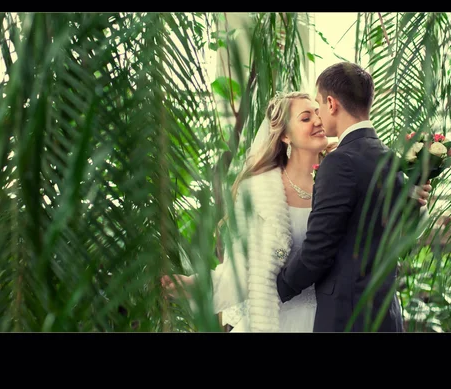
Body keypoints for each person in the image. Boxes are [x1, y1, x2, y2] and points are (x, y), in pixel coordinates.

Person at [162, 89, 430, 332]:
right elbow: (241, 270)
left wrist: (412, 203)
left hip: (334, 319)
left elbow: (387, 238)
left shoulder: (348, 177)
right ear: (285, 135)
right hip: (276, 320)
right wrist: (195, 286)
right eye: (305, 118)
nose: (317, 120)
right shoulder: (257, 193)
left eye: (317, 112)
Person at [276, 61, 423, 332]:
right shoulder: (392, 159)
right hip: (386, 316)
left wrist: (278, 289)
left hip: (347, 319)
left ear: (331, 104)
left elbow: (317, 250)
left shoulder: (339, 163)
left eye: (318, 105)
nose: (318, 116)